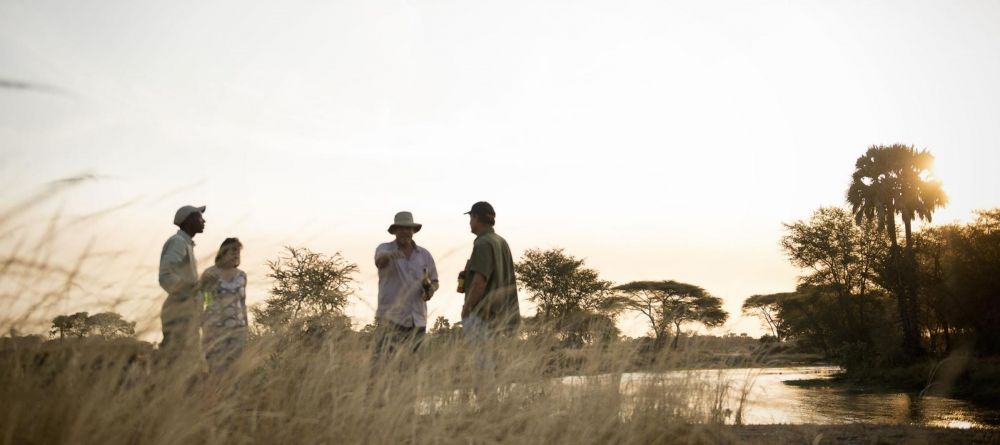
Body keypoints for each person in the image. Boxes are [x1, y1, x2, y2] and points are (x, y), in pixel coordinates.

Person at [461, 201, 520, 386]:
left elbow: (480, 281)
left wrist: (467, 308)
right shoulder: (501, 241)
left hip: (482, 316)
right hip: (502, 316)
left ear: (476, 217)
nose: (470, 222)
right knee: (496, 369)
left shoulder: (483, 243)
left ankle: (486, 410)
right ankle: (497, 411)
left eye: (471, 218)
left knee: (482, 369)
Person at [372, 211, 439, 363]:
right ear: (395, 231)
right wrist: (390, 256)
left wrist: (430, 291)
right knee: (383, 367)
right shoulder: (385, 249)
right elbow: (379, 261)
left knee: (414, 369)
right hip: (390, 320)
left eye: (409, 228)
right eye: (401, 228)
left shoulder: (424, 255)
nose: (405, 232)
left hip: (417, 321)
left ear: (413, 231)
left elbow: (434, 281)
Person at [158, 205, 206, 368]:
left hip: (187, 311)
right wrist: (187, 293)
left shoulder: (186, 244)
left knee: (188, 361)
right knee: (179, 362)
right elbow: (165, 276)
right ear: (189, 220)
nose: (203, 221)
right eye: (200, 218)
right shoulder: (178, 242)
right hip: (180, 311)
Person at [199, 237, 248, 374]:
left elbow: (242, 302)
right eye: (232, 250)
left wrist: (246, 326)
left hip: (237, 330)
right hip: (215, 330)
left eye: (238, 251)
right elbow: (204, 300)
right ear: (223, 252)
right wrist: (204, 325)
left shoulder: (242, 276)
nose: (236, 254)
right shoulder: (210, 274)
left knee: (234, 370)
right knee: (216, 369)